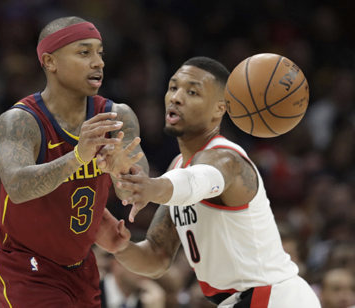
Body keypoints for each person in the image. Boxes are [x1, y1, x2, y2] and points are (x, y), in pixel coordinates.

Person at [97, 57, 321, 307]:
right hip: (240, 300)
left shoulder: (226, 158)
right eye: (173, 87)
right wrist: (119, 246)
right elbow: (156, 258)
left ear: (219, 108)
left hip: (274, 297)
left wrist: (150, 187)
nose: (176, 97)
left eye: (192, 92)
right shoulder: (178, 166)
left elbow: (197, 182)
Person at [0, 16, 148, 308]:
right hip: (26, 266)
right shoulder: (21, 121)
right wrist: (77, 157)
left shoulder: (117, 116)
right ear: (50, 61)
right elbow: (18, 187)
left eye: (100, 52)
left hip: (81, 265)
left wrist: (123, 173)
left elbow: (133, 195)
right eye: (84, 52)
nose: (98, 62)